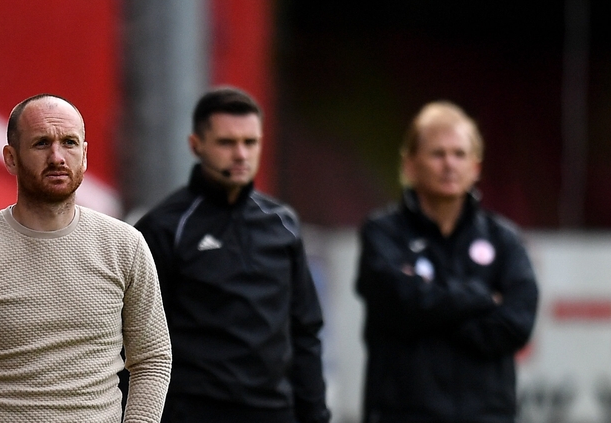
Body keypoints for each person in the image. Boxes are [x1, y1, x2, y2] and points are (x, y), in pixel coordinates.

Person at [0, 94, 172, 423]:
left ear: (84, 155)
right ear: (11, 158)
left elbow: (152, 358)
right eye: (41, 143)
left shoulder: (125, 246)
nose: (57, 157)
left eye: (69, 143)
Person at [133, 86, 330, 423]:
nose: (241, 154)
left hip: (275, 413)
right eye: (226, 143)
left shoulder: (282, 224)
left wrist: (315, 415)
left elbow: (306, 331)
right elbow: (136, 340)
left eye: (250, 142)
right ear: (196, 145)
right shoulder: (164, 228)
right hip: (192, 414)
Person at [355, 101, 539, 423]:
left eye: (459, 154)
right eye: (437, 154)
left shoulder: (504, 239)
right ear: (410, 165)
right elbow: (397, 303)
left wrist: (428, 309)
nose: (449, 164)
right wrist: (481, 298)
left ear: (476, 167)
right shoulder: (382, 234)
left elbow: (516, 324)